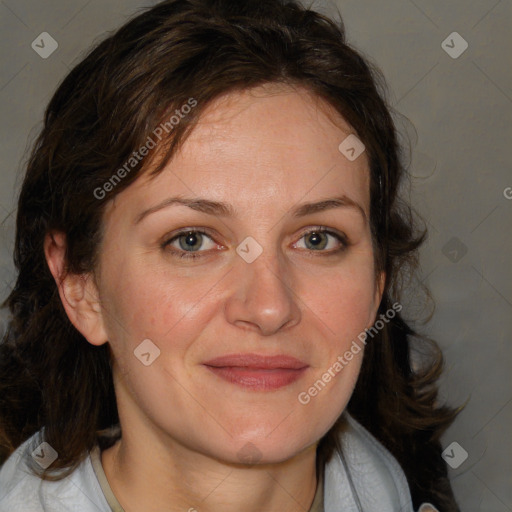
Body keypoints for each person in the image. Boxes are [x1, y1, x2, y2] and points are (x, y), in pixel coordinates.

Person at [0, 0, 460, 510]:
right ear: (80, 286)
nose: (269, 308)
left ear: (377, 282)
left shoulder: (397, 483)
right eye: (191, 240)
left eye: (317, 238)